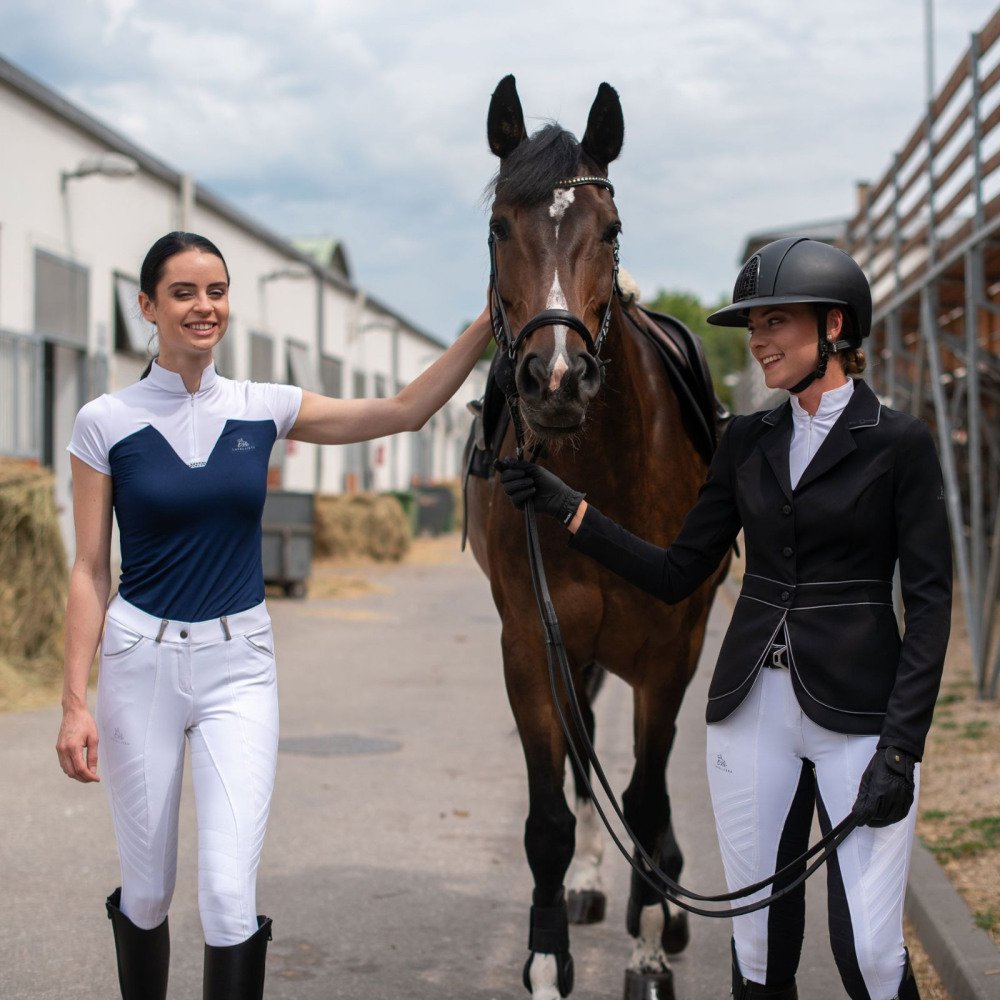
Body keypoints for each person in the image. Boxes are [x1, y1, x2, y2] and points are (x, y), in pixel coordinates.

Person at [497, 237, 951, 1000]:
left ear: (834, 327)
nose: (757, 340)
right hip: (752, 714)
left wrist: (902, 749)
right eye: (753, 326)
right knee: (759, 948)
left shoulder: (900, 444)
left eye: (775, 322)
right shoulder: (746, 440)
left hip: (860, 716)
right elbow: (678, 572)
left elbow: (932, 605)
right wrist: (569, 509)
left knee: (870, 952)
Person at [55, 231, 492, 1000]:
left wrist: (491, 320)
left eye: (216, 291)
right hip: (140, 665)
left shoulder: (263, 407)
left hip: (238, 669)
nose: (203, 307)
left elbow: (404, 409)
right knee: (148, 894)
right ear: (147, 306)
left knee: (228, 900)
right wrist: (72, 701)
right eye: (184, 293)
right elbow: (90, 568)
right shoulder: (105, 421)